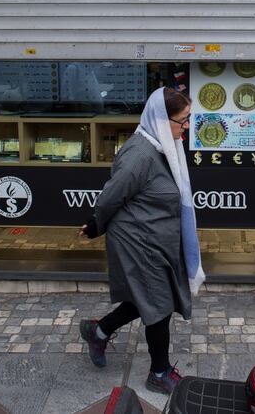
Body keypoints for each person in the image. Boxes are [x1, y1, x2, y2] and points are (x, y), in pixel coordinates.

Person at [78, 87, 204, 394]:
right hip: (137, 241)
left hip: (155, 239)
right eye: (182, 120)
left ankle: (99, 330)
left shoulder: (164, 147)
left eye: (189, 119)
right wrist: (96, 224)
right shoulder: (140, 155)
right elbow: (110, 196)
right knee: (158, 306)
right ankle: (159, 373)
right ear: (161, 120)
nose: (186, 127)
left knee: (146, 298)